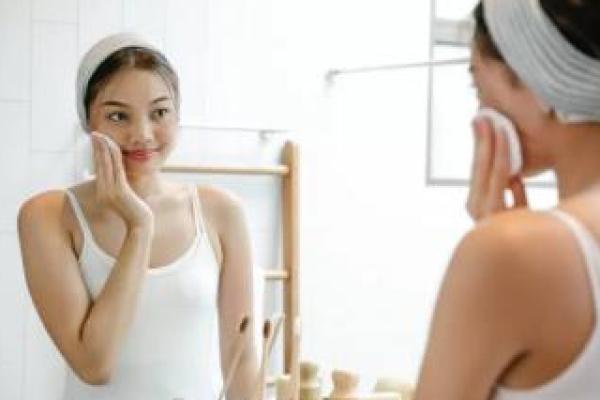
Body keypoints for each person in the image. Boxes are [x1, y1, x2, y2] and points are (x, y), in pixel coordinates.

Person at [17, 33, 257, 399]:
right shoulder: (48, 217)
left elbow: (242, 361)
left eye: (159, 112)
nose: (142, 135)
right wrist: (139, 226)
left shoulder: (222, 212)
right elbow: (95, 365)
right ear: (88, 123)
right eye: (118, 116)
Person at [415, 1, 600, 399]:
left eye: (477, 85)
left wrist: (498, 243)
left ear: (539, 79)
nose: (479, 109)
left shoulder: (510, 252)